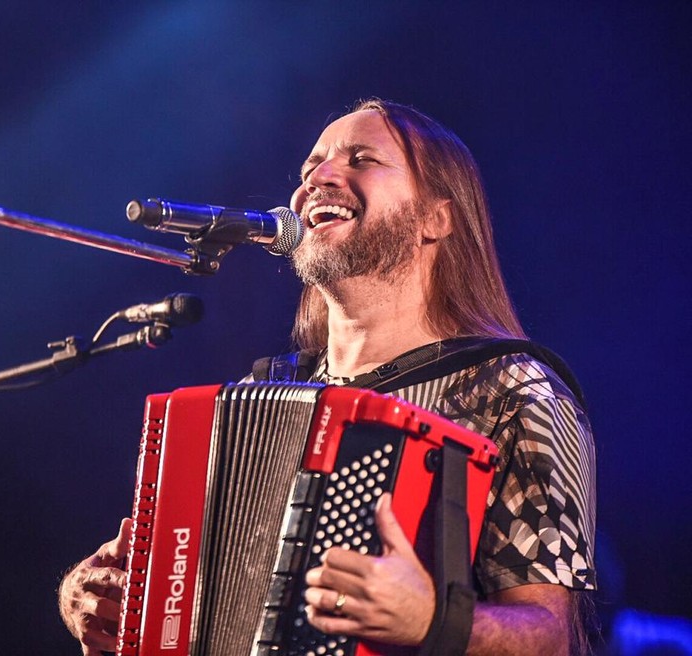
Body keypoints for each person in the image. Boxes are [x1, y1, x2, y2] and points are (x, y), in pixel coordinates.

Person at [57, 99, 596, 655]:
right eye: (311, 165)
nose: (319, 177)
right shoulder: (257, 398)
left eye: (361, 159)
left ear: (438, 217)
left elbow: (551, 638)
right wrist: (101, 598)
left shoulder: (511, 391)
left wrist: (433, 619)